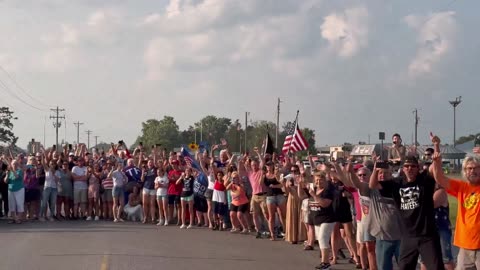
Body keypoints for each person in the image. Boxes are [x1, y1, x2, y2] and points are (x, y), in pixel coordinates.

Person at [369, 155, 444, 270]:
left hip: (427, 235)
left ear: (418, 168)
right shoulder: (396, 183)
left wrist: (436, 148)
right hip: (407, 236)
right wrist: (375, 169)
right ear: (403, 168)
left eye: (413, 166)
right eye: (407, 166)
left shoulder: (425, 179)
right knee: (404, 267)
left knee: (436, 267)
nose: (410, 169)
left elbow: (435, 167)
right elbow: (372, 185)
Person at [431, 135, 480, 269]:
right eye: (469, 168)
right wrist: (437, 162)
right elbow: (440, 179)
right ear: (464, 171)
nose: (472, 171)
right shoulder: (461, 187)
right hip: (465, 245)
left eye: (476, 168)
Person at [309, 171, 336, 270]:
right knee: (320, 240)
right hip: (317, 218)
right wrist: (299, 184)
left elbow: (325, 204)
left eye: (321, 180)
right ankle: (324, 261)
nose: (318, 182)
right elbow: (301, 196)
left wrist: (314, 196)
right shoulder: (314, 189)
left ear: (325, 180)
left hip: (327, 218)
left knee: (323, 239)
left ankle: (325, 262)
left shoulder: (328, 191)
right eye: (316, 180)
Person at [261, 161, 286, 241]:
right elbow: (260, 183)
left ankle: (286, 231)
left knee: (282, 215)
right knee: (271, 216)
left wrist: (275, 185)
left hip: (279, 195)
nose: (269, 167)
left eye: (270, 165)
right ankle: (272, 234)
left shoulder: (276, 174)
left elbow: (281, 184)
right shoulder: (265, 175)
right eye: (267, 165)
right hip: (270, 196)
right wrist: (262, 174)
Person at [284, 164, 307, 245]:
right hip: (292, 198)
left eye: (295, 171)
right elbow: (286, 192)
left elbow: (305, 188)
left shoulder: (301, 178)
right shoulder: (289, 178)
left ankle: (301, 237)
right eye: (292, 171)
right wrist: (288, 186)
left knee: (301, 218)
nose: (293, 172)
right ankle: (293, 237)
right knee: (292, 217)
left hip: (300, 199)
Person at [140, 160, 157, 224]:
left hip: (153, 188)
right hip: (146, 187)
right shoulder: (145, 170)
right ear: (147, 164)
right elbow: (142, 180)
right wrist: (143, 172)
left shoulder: (155, 169)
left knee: (152, 203)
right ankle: (145, 217)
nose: (150, 163)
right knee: (145, 203)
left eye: (151, 162)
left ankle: (153, 218)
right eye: (149, 162)